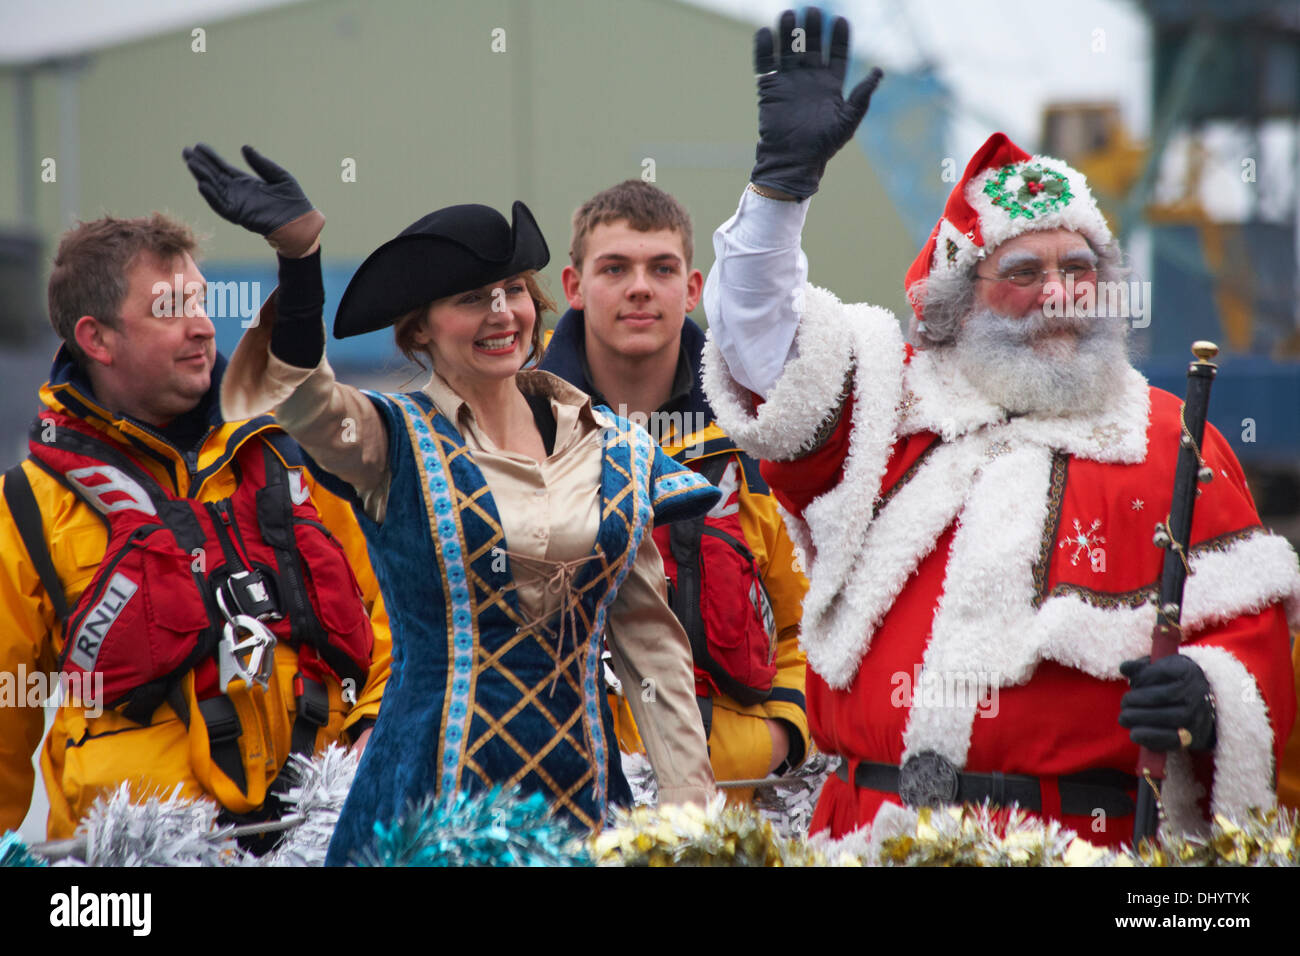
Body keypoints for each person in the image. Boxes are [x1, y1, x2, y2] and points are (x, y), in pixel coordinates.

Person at [700, 7, 1299, 847]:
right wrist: (778, 191)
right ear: (957, 298)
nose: (1059, 293)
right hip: (869, 841)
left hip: (1082, 846)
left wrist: (1207, 695)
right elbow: (757, 347)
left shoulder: (1173, 440)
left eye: (1079, 270)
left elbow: (1258, 648)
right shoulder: (888, 408)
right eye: (1023, 272)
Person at [183, 144, 717, 864]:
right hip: (421, 812)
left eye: (514, 290)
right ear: (420, 330)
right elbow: (302, 397)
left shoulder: (615, 448)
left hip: (587, 813)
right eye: (471, 298)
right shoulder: (389, 439)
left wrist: (688, 820)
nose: (502, 313)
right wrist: (301, 258)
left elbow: (653, 652)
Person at [0, 212, 390, 846]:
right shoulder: (25, 507)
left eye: (202, 304)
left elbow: (397, 611)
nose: (204, 327)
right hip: (140, 870)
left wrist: (379, 724)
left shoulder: (294, 451)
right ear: (97, 339)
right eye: (170, 309)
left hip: (327, 837)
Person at [538, 180, 811, 801]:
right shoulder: (517, 430)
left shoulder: (756, 435)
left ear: (692, 290)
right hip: (564, 806)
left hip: (737, 801)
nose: (640, 287)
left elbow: (810, 625)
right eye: (615, 268)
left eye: (661, 268)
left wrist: (774, 742)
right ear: (574, 288)